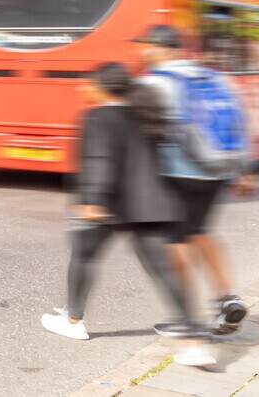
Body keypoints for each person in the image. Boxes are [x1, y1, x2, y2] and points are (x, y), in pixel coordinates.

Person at [40, 62, 212, 368]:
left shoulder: (99, 115)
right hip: (152, 205)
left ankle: (73, 320)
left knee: (83, 257)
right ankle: (194, 343)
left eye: (88, 81)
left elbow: (100, 159)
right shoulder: (144, 112)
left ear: (101, 86)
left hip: (109, 205)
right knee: (165, 273)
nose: (84, 87)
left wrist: (93, 200)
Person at [136, 23, 259, 337]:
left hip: (177, 173)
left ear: (159, 48)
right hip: (215, 172)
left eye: (144, 45)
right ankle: (227, 299)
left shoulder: (155, 82)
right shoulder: (215, 77)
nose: (141, 51)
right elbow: (239, 122)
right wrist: (247, 169)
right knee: (200, 232)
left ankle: (185, 317)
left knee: (173, 242)